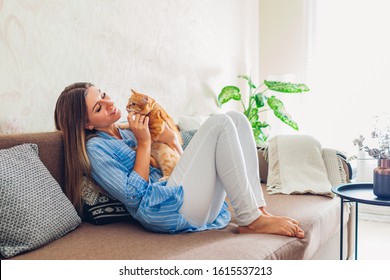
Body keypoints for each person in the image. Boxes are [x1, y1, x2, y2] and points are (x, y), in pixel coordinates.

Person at [54, 82, 304, 238]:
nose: (109, 103)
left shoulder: (127, 130)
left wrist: (172, 140)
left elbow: (178, 165)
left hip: (182, 194)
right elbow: (133, 196)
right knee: (220, 123)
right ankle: (252, 221)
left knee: (237, 119)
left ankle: (257, 211)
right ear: (86, 124)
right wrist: (144, 144)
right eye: (98, 107)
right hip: (162, 209)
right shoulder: (95, 149)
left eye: (104, 94)